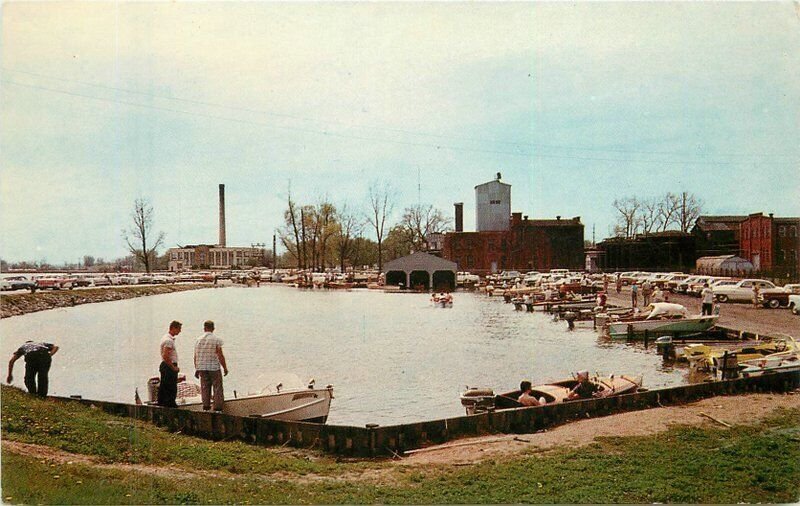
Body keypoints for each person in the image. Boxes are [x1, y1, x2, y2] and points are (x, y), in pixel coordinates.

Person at [194, 320, 228, 411]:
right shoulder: (217, 340)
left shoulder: (198, 340)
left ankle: (206, 407)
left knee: (205, 387)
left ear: (204, 328)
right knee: (217, 388)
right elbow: (220, 355)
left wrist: (197, 368)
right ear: (213, 328)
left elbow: (196, 356)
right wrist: (225, 367)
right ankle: (218, 409)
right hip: (214, 367)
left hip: (202, 367)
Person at [158, 320, 182, 408]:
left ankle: (162, 403)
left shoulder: (166, 338)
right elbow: (165, 355)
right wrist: (173, 367)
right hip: (168, 366)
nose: (180, 331)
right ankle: (170, 404)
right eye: (179, 329)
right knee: (170, 387)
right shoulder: (168, 341)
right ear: (173, 328)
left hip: (166, 365)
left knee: (164, 386)